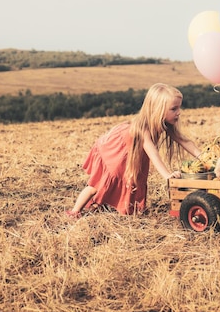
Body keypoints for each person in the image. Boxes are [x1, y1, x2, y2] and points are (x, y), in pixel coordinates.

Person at [66, 83, 201, 217]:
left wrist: (205, 158)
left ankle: (101, 205)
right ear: (157, 109)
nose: (179, 112)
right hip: (116, 151)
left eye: (179, 107)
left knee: (132, 181)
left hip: (133, 153)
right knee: (99, 185)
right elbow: (153, 153)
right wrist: (167, 175)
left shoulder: (165, 124)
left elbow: (185, 141)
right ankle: (75, 211)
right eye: (174, 109)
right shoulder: (143, 128)